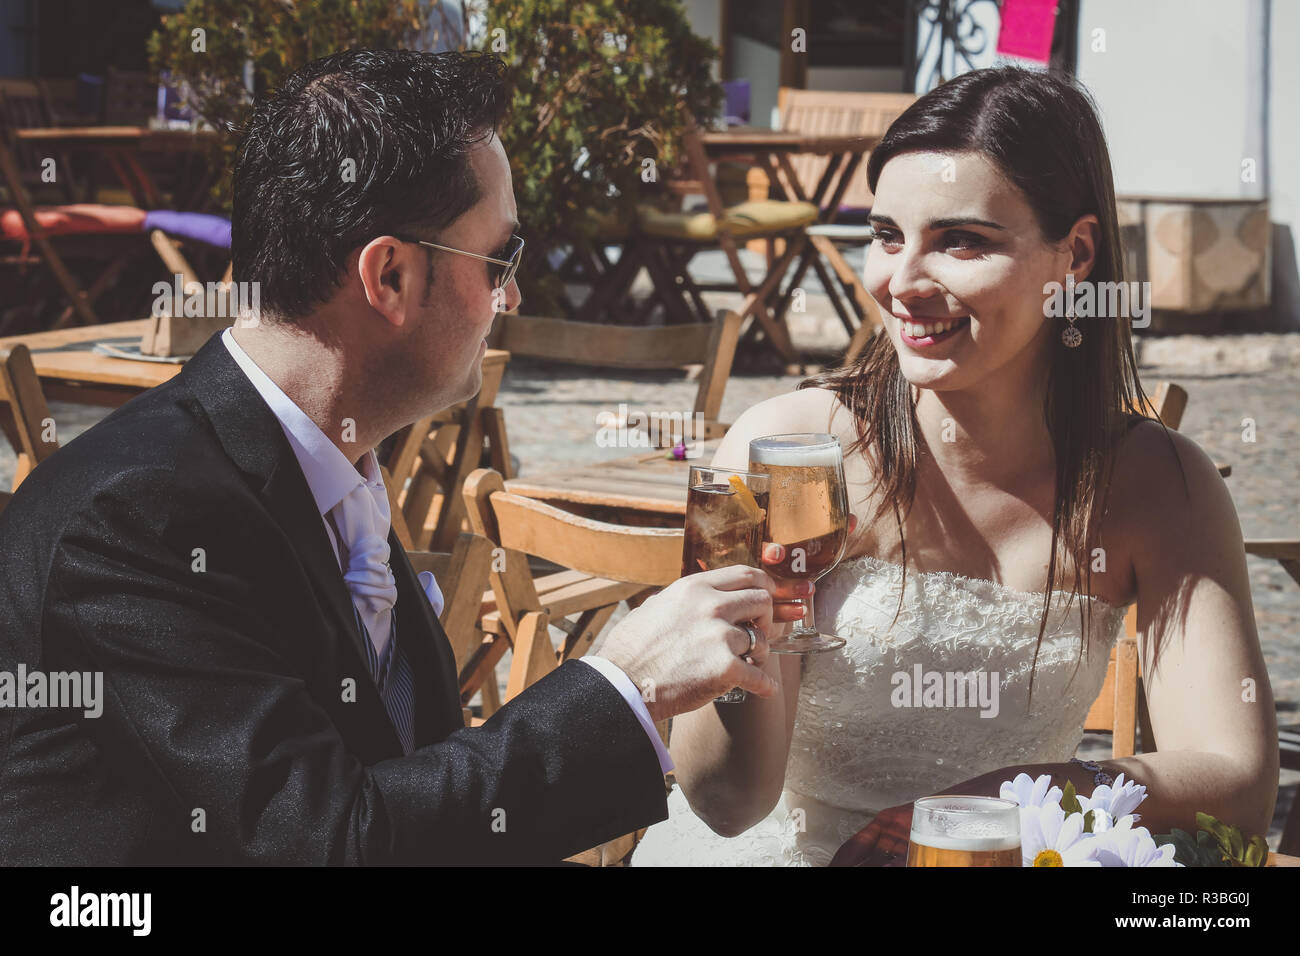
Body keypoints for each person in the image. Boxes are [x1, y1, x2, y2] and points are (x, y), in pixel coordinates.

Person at [0, 49, 803, 865]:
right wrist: (627, 682)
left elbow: (396, 779)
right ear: (389, 275)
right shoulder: (137, 512)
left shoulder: (322, 458)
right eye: (501, 261)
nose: (513, 298)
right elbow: (330, 842)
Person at [631, 66, 1278, 866]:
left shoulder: (1160, 483)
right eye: (886, 235)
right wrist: (753, 648)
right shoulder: (783, 452)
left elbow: (1240, 779)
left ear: (1074, 254)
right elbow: (729, 803)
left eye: (961, 241)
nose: (900, 284)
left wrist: (1010, 796)